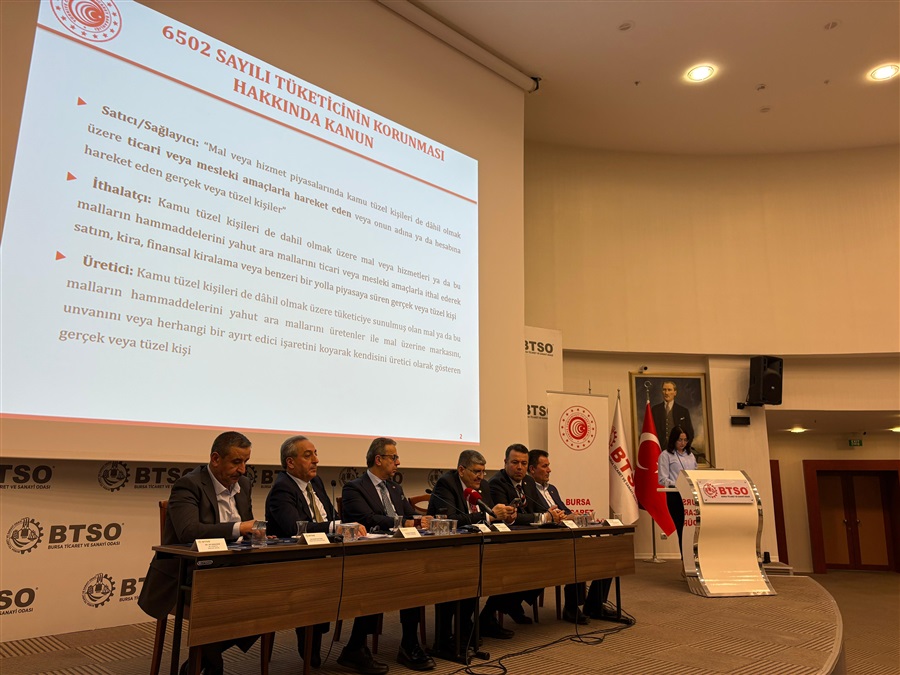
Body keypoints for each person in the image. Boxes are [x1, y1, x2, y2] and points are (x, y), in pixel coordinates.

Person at [138, 431, 261, 675]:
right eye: (236, 462)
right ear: (215, 459)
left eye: (246, 462)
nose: (242, 470)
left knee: (269, 596)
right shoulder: (189, 484)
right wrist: (239, 528)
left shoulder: (244, 485)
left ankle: (201, 658)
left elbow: (247, 529)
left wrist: (257, 535)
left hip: (231, 569)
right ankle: (212, 664)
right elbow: (188, 532)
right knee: (219, 598)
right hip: (187, 574)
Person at [265, 435, 382, 674]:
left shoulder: (316, 483)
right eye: (308, 455)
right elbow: (295, 528)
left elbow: (330, 517)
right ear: (290, 462)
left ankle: (355, 647)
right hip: (298, 565)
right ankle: (309, 632)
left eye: (316, 454)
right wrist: (336, 527)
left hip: (327, 557)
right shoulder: (282, 489)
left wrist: (343, 526)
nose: (316, 460)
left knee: (372, 578)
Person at [341, 438, 435, 671]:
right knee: (388, 577)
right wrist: (406, 522)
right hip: (368, 555)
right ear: (378, 459)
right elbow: (367, 519)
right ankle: (358, 647)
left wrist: (422, 520)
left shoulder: (395, 488)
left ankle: (409, 643)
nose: (398, 462)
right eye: (394, 457)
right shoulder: (354, 487)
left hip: (400, 551)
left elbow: (409, 516)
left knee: (415, 574)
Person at [427, 450, 516, 661]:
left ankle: (464, 630)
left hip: (473, 548)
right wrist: (489, 516)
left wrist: (507, 516)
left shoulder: (483, 486)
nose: (481, 477)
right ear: (461, 470)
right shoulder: (446, 484)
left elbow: (491, 515)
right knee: (456, 582)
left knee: (480, 578)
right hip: (444, 551)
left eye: (483, 472)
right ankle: (444, 638)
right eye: (476, 471)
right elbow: (451, 520)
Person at [528, 449, 616, 622]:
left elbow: (566, 512)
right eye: (544, 466)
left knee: (606, 552)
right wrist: (557, 517)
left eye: (549, 466)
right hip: (549, 541)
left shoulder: (552, 489)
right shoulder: (529, 490)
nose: (549, 470)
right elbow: (540, 517)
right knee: (578, 551)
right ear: (532, 469)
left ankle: (594, 604)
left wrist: (579, 516)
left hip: (567, 535)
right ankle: (571, 607)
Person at [483, 443, 547, 626]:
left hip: (528, 539)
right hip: (505, 542)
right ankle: (493, 612)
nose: (520, 467)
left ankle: (513, 603)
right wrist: (540, 517)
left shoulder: (528, 482)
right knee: (519, 566)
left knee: (550, 560)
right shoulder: (496, 483)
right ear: (505, 462)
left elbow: (539, 510)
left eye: (524, 463)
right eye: (515, 462)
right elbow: (507, 518)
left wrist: (550, 514)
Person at [657, 426, 698, 556]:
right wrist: (679, 484)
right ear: (673, 440)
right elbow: (662, 479)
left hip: (691, 496)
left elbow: (695, 474)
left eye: (685, 440)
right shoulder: (666, 455)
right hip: (675, 496)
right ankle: (685, 560)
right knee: (682, 528)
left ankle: (694, 558)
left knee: (692, 528)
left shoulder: (690, 455)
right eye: (680, 440)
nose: (683, 443)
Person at [650, 380, 695, 450]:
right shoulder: (655, 410)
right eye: (664, 390)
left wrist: (683, 448)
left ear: (675, 393)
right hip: (659, 449)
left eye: (669, 390)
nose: (666, 393)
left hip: (678, 450)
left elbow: (690, 433)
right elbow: (650, 432)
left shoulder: (683, 411)